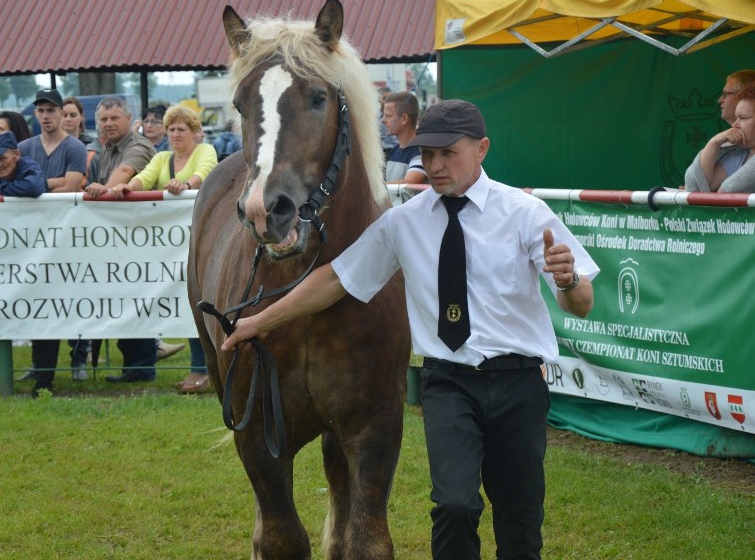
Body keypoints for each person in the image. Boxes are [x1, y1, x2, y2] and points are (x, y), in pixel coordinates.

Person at [222, 99, 598, 560]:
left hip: (519, 382)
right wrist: (260, 320)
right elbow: (336, 279)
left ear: (482, 149)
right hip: (450, 383)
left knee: (519, 518)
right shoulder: (404, 221)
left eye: (448, 154)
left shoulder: (526, 213)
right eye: (427, 154)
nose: (435, 166)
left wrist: (569, 280)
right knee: (454, 506)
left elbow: (579, 305)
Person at [107, 104, 218, 393]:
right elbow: (144, 176)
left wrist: (185, 184)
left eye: (182, 129)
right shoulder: (162, 157)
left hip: (199, 242)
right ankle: (145, 363)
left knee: (198, 303)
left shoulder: (204, 151)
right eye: (171, 129)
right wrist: (127, 187)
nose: (175, 134)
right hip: (165, 250)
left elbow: (204, 174)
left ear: (195, 133)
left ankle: (201, 369)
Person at [14, 89, 89, 392]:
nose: (46, 116)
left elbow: (73, 185)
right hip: (29, 235)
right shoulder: (24, 146)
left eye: (51, 110)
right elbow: (13, 183)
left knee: (66, 301)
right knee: (34, 301)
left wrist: (33, 186)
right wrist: (47, 184)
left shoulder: (74, 147)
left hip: (64, 234)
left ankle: (77, 359)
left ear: (61, 113)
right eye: (41, 111)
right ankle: (39, 366)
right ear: (36, 114)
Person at [85, 97, 158, 383]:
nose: (108, 124)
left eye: (114, 118)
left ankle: (141, 366)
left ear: (129, 119)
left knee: (138, 300)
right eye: (103, 119)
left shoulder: (137, 146)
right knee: (122, 300)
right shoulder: (104, 149)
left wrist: (103, 188)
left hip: (140, 239)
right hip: (115, 239)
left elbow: (124, 174)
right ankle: (133, 365)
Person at [685, 84, 755, 193]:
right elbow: (695, 186)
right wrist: (714, 142)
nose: (734, 125)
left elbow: (728, 191)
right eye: (736, 118)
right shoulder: (740, 153)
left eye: (743, 118)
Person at [0, 132, 47, 197]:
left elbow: (34, 187)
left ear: (16, 155)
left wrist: (0, 190)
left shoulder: (28, 166)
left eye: (2, 158)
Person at [382, 91, 427, 185]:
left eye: (388, 116)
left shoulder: (421, 152)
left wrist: (375, 189)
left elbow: (409, 183)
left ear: (404, 119)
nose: (383, 120)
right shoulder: (394, 151)